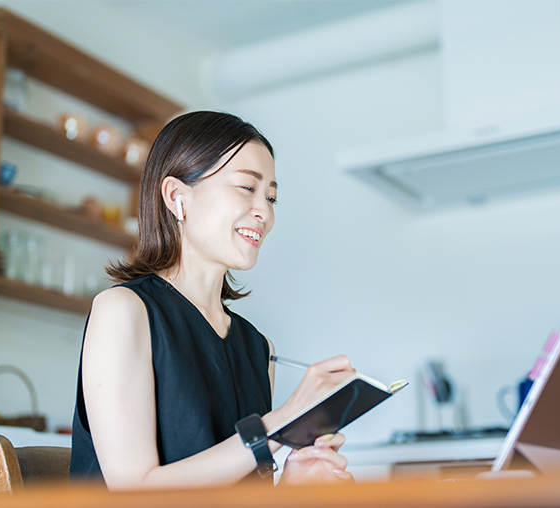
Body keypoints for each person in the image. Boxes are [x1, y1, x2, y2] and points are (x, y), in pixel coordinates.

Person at [70, 111, 356, 489]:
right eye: (246, 188)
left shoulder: (257, 347)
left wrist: (291, 484)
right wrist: (279, 424)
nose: (265, 212)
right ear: (176, 197)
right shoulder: (123, 311)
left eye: (271, 196)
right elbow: (134, 489)